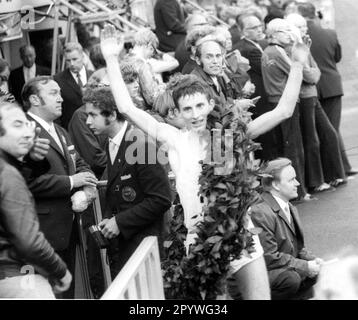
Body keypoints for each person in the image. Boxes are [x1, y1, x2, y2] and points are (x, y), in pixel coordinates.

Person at [100, 23, 310, 299]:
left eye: (200, 106)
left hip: (241, 236)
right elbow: (126, 108)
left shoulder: (230, 135)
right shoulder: (174, 139)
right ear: (178, 112)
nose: (196, 114)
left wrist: (296, 64)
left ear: (211, 104)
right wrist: (111, 59)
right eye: (188, 109)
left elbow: (283, 111)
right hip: (202, 243)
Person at [21, 76, 98, 298]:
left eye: (60, 93)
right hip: (42, 234)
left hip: (67, 231)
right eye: (53, 93)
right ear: (35, 99)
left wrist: (88, 187)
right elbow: (29, 181)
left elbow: (81, 164)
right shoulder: (25, 133)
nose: (61, 98)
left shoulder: (61, 131)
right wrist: (73, 182)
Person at [84, 85, 172, 277]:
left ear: (113, 115)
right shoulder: (110, 141)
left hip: (143, 248)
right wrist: (109, 219)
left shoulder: (141, 143)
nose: (88, 121)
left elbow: (162, 198)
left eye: (93, 115)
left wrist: (120, 222)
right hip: (126, 246)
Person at [0, 101, 72, 298]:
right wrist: (61, 271)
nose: (27, 133)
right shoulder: (7, 174)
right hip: (18, 278)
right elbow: (29, 242)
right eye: (17, 125)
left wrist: (29, 161)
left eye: (27, 125)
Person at [285, 13, 346, 190]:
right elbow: (308, 74)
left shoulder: (303, 46)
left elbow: (314, 73)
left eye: (305, 26)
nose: (304, 30)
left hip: (310, 94)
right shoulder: (294, 49)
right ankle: (316, 181)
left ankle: (332, 175)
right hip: (303, 98)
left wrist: (310, 73)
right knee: (311, 140)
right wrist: (310, 73)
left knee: (327, 134)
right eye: (300, 27)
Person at [297, 2, 358, 177]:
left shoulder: (297, 39)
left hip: (309, 87)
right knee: (332, 129)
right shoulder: (329, 32)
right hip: (331, 85)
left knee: (321, 131)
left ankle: (336, 170)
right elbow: (337, 57)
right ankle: (341, 168)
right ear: (314, 14)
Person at [251, 157, 322, 299]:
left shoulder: (288, 206)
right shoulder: (260, 212)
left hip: (278, 268)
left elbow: (297, 247)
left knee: (313, 271)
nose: (298, 183)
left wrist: (312, 260)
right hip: (258, 274)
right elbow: (269, 257)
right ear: (276, 186)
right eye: (291, 180)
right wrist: (305, 266)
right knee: (291, 279)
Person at [261, 18, 311, 200]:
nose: (289, 34)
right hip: (284, 102)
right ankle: (300, 192)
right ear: (274, 34)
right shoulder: (276, 51)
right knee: (293, 147)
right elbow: (299, 71)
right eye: (284, 31)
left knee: (290, 145)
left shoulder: (269, 51)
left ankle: (298, 190)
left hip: (278, 101)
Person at [54, 42, 93, 129]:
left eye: (75, 59)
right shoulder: (57, 80)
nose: (71, 64)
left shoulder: (94, 76)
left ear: (83, 57)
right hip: (73, 130)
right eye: (68, 60)